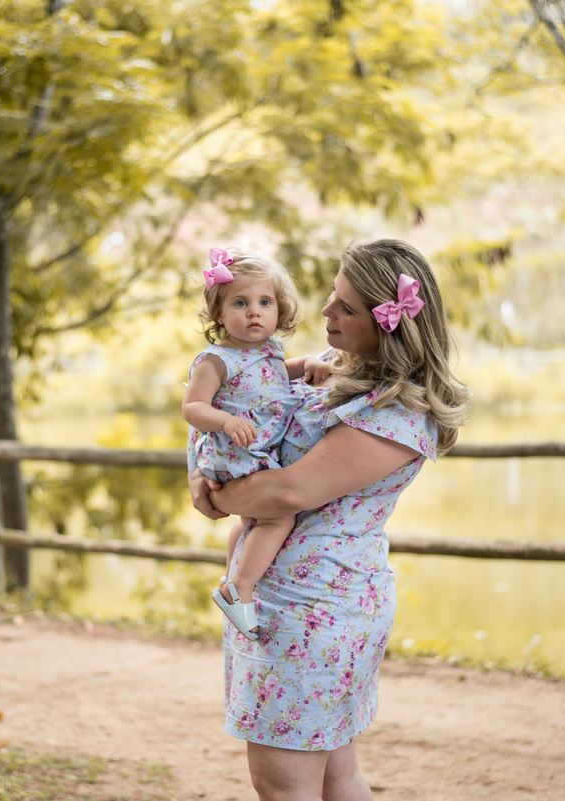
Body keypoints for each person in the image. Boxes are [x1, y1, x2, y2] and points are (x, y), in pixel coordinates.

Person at [188, 238, 469, 801]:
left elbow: (290, 489)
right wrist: (202, 470)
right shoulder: (333, 374)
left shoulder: (396, 414)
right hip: (295, 603)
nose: (324, 313)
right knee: (337, 777)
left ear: (388, 325)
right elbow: (239, 413)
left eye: (345, 307)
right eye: (331, 298)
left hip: (313, 611)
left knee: (282, 785)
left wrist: (218, 499)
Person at [182, 247, 326, 641]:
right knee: (278, 517)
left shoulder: (271, 352)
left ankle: (233, 580)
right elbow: (192, 407)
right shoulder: (216, 360)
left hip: (254, 450)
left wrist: (307, 364)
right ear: (218, 312)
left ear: (279, 310)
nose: (254, 312)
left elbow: (281, 374)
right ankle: (241, 587)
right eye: (240, 303)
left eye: (265, 303)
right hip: (234, 452)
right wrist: (226, 421)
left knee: (251, 522)